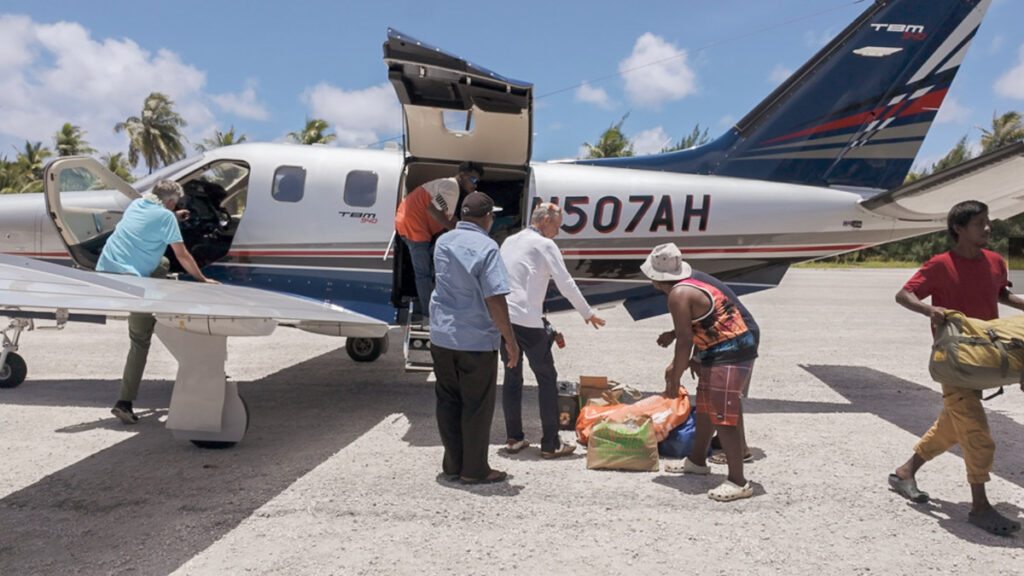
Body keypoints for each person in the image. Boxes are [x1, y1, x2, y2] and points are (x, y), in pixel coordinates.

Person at [889, 200, 1024, 536]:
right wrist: (927, 311)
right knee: (975, 431)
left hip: (986, 356)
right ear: (959, 229)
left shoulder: (995, 261)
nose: (988, 228)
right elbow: (904, 295)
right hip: (955, 360)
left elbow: (1001, 294)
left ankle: (905, 472)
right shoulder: (940, 264)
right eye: (980, 223)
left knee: (953, 423)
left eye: (988, 222)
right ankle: (979, 507)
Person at [642, 243, 759, 502]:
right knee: (705, 406)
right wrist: (685, 354)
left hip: (730, 351)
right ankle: (697, 460)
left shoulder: (678, 294)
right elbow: (699, 321)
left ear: (654, 277)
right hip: (717, 350)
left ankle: (738, 481)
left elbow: (685, 340)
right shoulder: (687, 287)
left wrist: (675, 372)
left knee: (723, 414)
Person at [96, 180, 219, 424]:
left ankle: (155, 305)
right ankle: (124, 402)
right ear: (171, 202)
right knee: (140, 340)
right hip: (130, 282)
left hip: (105, 270)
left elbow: (155, 216)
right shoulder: (166, 218)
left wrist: (174, 216)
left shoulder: (136, 205)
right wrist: (202, 279)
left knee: (162, 263)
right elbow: (182, 254)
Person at [499, 202, 605, 458]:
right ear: (545, 219)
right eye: (556, 226)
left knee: (512, 377)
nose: (557, 233)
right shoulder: (545, 245)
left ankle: (514, 438)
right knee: (547, 379)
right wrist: (587, 312)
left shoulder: (509, 241)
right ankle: (550, 443)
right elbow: (565, 283)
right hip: (527, 320)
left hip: (504, 319)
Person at [430, 191, 519, 485]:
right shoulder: (488, 247)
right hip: (476, 339)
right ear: (488, 218)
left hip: (443, 335)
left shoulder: (443, 241)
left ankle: (453, 465)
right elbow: (494, 297)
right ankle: (475, 470)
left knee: (448, 401)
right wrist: (510, 339)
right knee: (476, 406)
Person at [394, 161, 483, 319]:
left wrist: (462, 226)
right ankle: (430, 314)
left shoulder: (448, 187)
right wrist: (459, 233)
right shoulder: (451, 187)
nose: (475, 185)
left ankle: (432, 305)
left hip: (409, 224)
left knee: (433, 265)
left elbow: (444, 213)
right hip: (415, 228)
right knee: (424, 274)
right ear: (462, 176)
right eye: (473, 180)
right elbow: (433, 210)